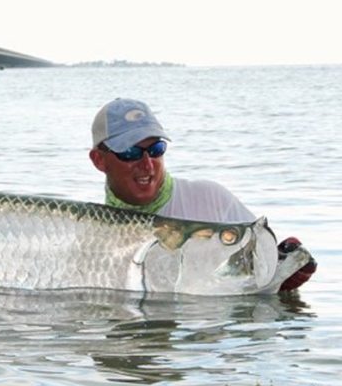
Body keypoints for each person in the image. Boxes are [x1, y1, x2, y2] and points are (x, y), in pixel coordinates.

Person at [88, 97, 316, 291]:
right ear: (99, 160)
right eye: (130, 152)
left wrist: (281, 283)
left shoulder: (210, 199)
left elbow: (255, 269)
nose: (147, 165)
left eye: (156, 149)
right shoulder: (86, 235)